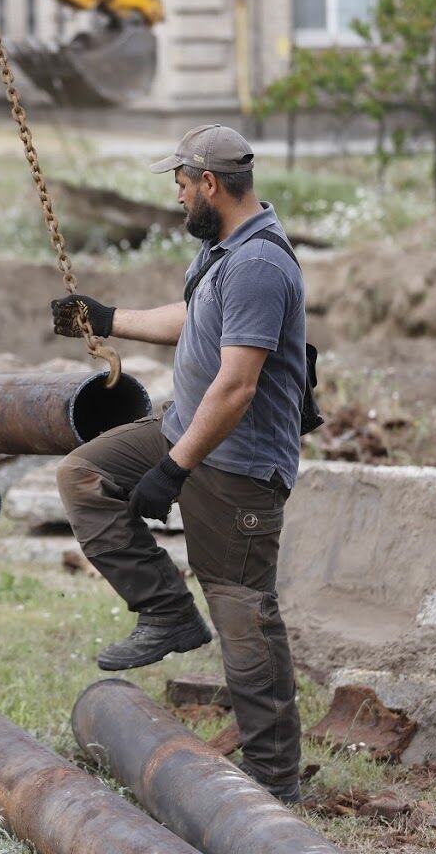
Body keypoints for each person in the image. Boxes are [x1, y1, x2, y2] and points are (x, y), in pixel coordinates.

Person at [50, 124, 308, 805]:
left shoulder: (258, 265)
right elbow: (191, 319)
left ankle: (275, 780)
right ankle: (166, 612)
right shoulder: (227, 250)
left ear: (211, 185)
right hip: (187, 432)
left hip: (238, 463)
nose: (178, 197)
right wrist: (104, 318)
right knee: (85, 476)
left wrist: (173, 469)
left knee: (244, 613)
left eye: (182, 185)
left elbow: (238, 387)